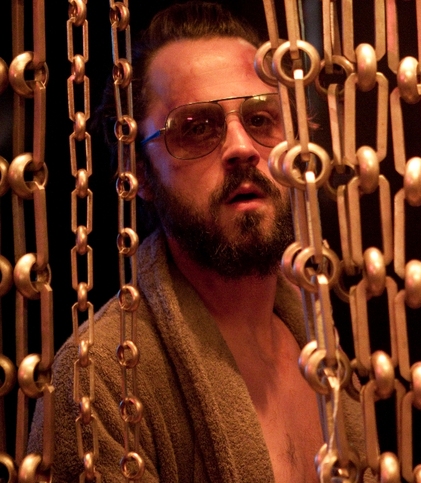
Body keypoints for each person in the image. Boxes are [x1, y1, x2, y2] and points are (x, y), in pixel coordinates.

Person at [28, 2, 365, 481]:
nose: (242, 149)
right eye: (197, 128)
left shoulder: (323, 346)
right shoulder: (101, 380)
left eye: (261, 119)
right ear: (140, 174)